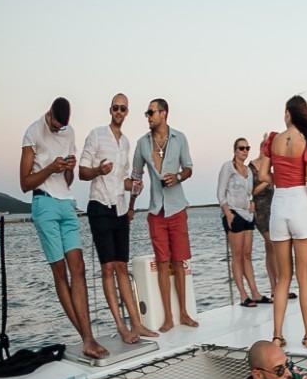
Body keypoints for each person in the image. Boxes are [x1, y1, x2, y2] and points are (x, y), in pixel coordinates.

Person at [21, 98, 108, 360]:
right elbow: (25, 183)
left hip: (66, 204)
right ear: (49, 114)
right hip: (44, 204)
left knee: (78, 268)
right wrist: (50, 168)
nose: (58, 130)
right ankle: (87, 339)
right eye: (56, 126)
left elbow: (68, 181)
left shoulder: (69, 133)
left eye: (62, 127)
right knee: (61, 274)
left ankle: (89, 337)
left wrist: (69, 168)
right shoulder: (33, 132)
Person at [78, 94, 156, 344]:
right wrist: (98, 170)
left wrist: (134, 185)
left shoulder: (126, 143)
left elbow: (122, 180)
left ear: (127, 112)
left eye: (123, 108)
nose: (119, 112)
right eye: (115, 108)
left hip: (120, 209)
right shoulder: (96, 135)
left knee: (122, 267)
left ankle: (137, 324)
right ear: (110, 110)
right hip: (99, 206)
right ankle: (121, 327)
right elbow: (82, 172)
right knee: (108, 268)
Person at [265, 96, 307, 350]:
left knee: (283, 278)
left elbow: (263, 174)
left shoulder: (273, 140)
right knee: (304, 277)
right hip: (300, 204)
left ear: (287, 113)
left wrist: (278, 180)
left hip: (279, 204)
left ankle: (277, 335)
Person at [130, 98, 198, 332]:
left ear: (164, 113)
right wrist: (130, 206)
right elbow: (136, 176)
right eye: (147, 113)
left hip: (177, 207)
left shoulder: (180, 138)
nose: (148, 117)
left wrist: (177, 177)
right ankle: (168, 317)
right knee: (162, 262)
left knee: (179, 262)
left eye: (151, 112)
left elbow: (189, 168)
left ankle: (184, 314)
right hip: (156, 210)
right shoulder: (142, 143)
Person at [218, 138, 264, 307]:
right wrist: (227, 213)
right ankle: (243, 295)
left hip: (247, 215)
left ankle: (255, 293)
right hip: (233, 213)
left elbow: (249, 192)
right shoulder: (228, 167)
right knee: (237, 256)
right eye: (241, 148)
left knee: (247, 255)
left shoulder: (249, 171)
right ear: (235, 150)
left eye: (247, 148)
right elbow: (220, 193)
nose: (244, 151)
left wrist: (251, 202)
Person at [251, 132, 278, 303]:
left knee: (271, 249)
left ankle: (275, 288)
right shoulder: (252, 167)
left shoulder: (270, 167)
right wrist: (267, 181)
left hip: (273, 209)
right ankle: (277, 287)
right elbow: (251, 191)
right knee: (272, 245)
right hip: (260, 211)